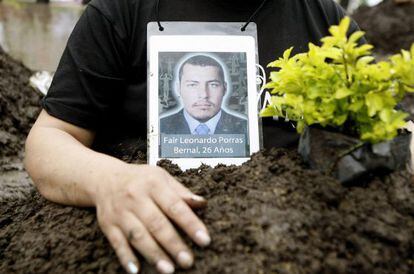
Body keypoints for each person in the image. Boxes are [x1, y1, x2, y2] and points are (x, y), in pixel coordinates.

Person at [24, 0, 365, 273]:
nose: (204, 93)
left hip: (291, 242)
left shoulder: (327, 21)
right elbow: (50, 140)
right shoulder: (122, 10)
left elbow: (382, 136)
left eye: (213, 84)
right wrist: (108, 180)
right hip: (150, 232)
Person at [160, 55, 247, 135]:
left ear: (224, 88)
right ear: (178, 89)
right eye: (192, 85)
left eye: (213, 85)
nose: (204, 94)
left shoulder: (246, 128)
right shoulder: (160, 127)